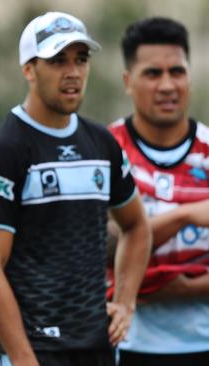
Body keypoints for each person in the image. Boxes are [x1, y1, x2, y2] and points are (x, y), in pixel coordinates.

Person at [0, 12, 152, 366]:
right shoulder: (1, 151)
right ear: (29, 69)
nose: (73, 72)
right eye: (57, 60)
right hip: (33, 353)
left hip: (97, 349)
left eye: (81, 59)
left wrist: (126, 302)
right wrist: (23, 358)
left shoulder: (102, 144)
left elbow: (137, 225)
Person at [108, 17, 209, 366]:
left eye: (177, 72)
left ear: (190, 79)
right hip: (124, 344)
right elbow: (98, 247)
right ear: (128, 81)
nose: (167, 85)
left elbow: (124, 245)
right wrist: (185, 215)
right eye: (153, 73)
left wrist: (186, 288)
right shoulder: (102, 151)